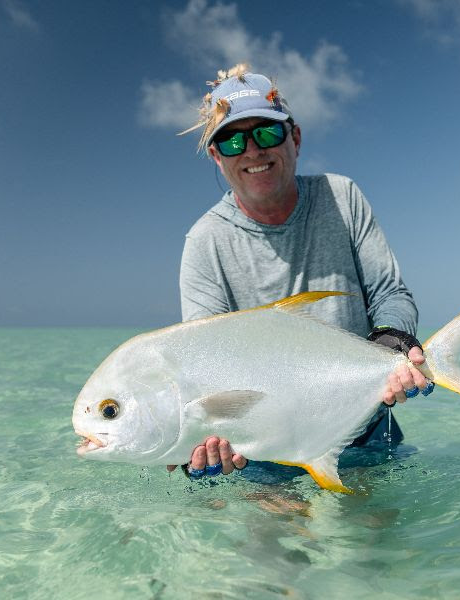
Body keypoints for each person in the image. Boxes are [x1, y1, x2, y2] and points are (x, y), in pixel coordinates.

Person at [166, 64, 432, 480]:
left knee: (374, 546)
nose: (252, 151)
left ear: (296, 138)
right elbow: (203, 362)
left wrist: (391, 342)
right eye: (233, 140)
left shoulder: (342, 197)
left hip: (365, 432)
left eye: (267, 133)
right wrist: (193, 447)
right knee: (270, 547)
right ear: (217, 157)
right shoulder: (205, 242)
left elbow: (388, 292)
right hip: (264, 457)